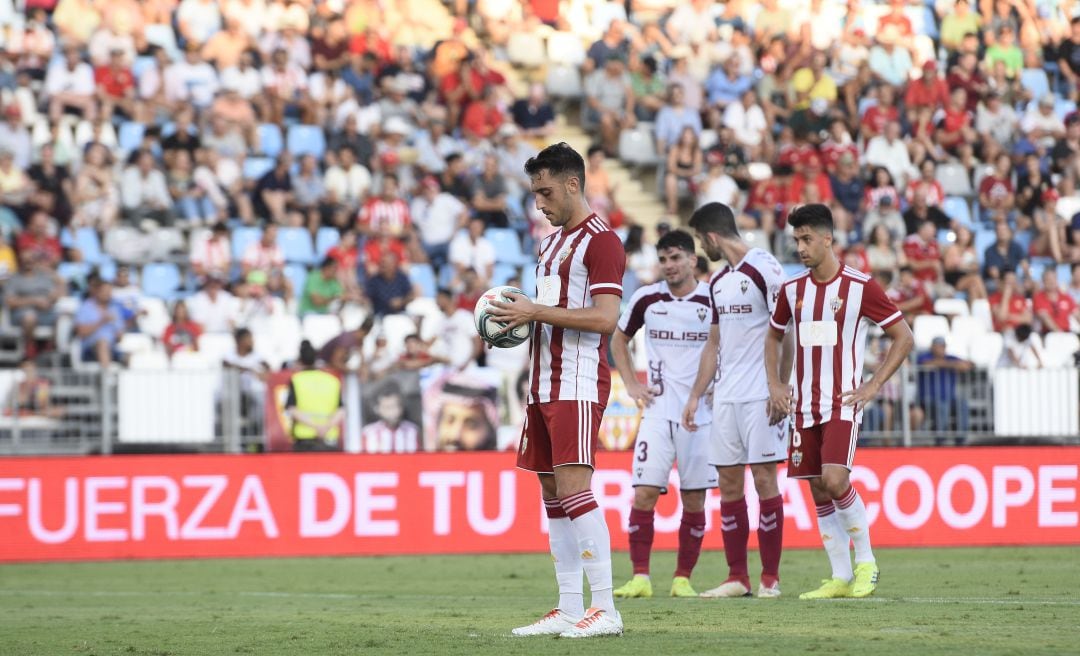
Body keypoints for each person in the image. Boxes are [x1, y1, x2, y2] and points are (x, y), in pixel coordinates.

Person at [486, 143, 626, 637]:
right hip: (542, 383)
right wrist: (511, 324)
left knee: (573, 488)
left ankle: (606, 609)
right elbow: (544, 312)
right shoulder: (549, 243)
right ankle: (569, 607)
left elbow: (607, 319)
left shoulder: (602, 241)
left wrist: (535, 312)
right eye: (534, 193)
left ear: (573, 184)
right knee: (551, 491)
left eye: (545, 191)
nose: (538, 203)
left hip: (578, 381)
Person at [764, 203, 913, 600]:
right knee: (816, 489)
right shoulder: (792, 290)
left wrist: (873, 385)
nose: (800, 246)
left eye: (807, 238)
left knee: (835, 480)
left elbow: (904, 337)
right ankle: (840, 576)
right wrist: (776, 385)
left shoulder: (860, 286)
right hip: (802, 407)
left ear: (828, 239)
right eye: (796, 239)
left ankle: (867, 563)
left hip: (841, 403)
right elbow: (773, 336)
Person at [681, 203, 792, 599]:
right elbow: (713, 343)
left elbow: (786, 330)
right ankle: (737, 577)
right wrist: (696, 395)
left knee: (764, 480)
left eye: (700, 240)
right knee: (729, 484)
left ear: (711, 237)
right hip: (725, 398)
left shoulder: (765, 267)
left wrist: (781, 385)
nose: (701, 247)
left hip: (762, 394)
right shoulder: (717, 282)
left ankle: (770, 579)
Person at [608, 229, 717, 600]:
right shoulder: (646, 298)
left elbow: (725, 348)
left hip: (700, 416)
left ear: (692, 260)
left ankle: (682, 578)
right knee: (643, 495)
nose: (669, 266)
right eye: (664, 259)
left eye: (675, 258)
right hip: (656, 412)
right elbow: (618, 339)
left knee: (694, 500)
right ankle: (640, 577)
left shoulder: (712, 299)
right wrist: (631, 384)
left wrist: (712, 389)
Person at [285, 340, 344, 451]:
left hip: (304, 438)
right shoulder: (332, 380)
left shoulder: (297, 379)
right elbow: (340, 410)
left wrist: (315, 427)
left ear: (300, 360)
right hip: (329, 437)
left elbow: (292, 409)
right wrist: (325, 428)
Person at [915, 336, 972, 444]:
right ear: (932, 347)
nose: (942, 348)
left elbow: (968, 365)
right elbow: (926, 364)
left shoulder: (950, 357)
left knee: (962, 403)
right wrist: (951, 365)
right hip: (928, 399)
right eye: (939, 346)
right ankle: (941, 440)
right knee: (942, 405)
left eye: (943, 346)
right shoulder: (924, 356)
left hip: (949, 398)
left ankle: (961, 439)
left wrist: (953, 364)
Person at [361, 382, 420, 453]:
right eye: (388, 407)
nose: (393, 412)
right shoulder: (369, 433)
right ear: (377, 409)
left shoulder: (412, 431)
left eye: (395, 406)